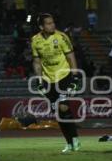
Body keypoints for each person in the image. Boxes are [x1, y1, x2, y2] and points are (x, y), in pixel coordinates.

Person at [31, 13, 81, 152]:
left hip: (63, 76)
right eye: (48, 23)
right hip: (48, 80)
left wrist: (75, 77)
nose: (52, 25)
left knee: (63, 107)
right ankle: (69, 142)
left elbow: (71, 57)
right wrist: (39, 81)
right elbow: (37, 62)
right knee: (58, 113)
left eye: (52, 22)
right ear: (41, 26)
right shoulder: (35, 40)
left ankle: (75, 139)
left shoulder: (61, 37)